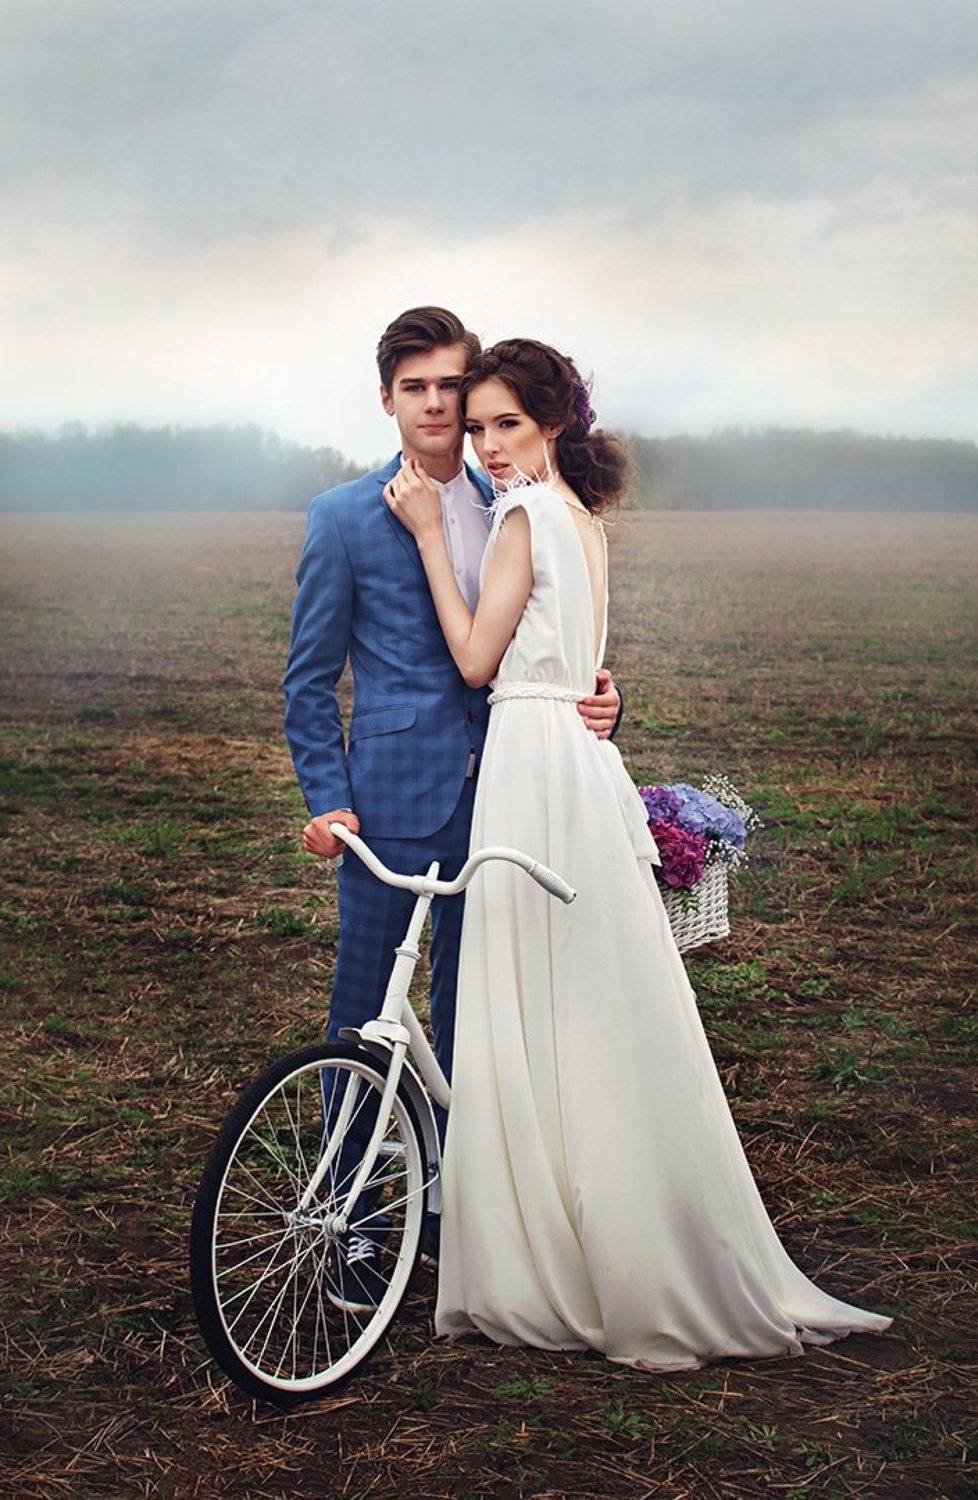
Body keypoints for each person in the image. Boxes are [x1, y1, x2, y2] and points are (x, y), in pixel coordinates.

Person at [383, 337, 893, 1371]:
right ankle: (600, 1237)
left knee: (541, 995)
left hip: (534, 762)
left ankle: (563, 1256)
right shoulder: (584, 518)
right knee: (589, 1001)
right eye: (476, 429)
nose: (488, 447)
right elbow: (577, 660)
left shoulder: (526, 514)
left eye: (506, 425)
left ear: (553, 422)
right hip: (573, 762)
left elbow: (478, 660)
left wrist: (433, 536)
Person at [283, 308, 624, 1307]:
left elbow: (546, 638)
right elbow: (308, 683)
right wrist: (329, 802)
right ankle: (349, 1218)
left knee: (483, 1017)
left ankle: (460, 1215)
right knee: (365, 1016)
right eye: (416, 388)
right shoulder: (343, 517)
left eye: (450, 387)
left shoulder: (514, 496)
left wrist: (603, 699)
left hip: (510, 797)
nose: (437, 406)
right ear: (387, 400)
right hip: (390, 803)